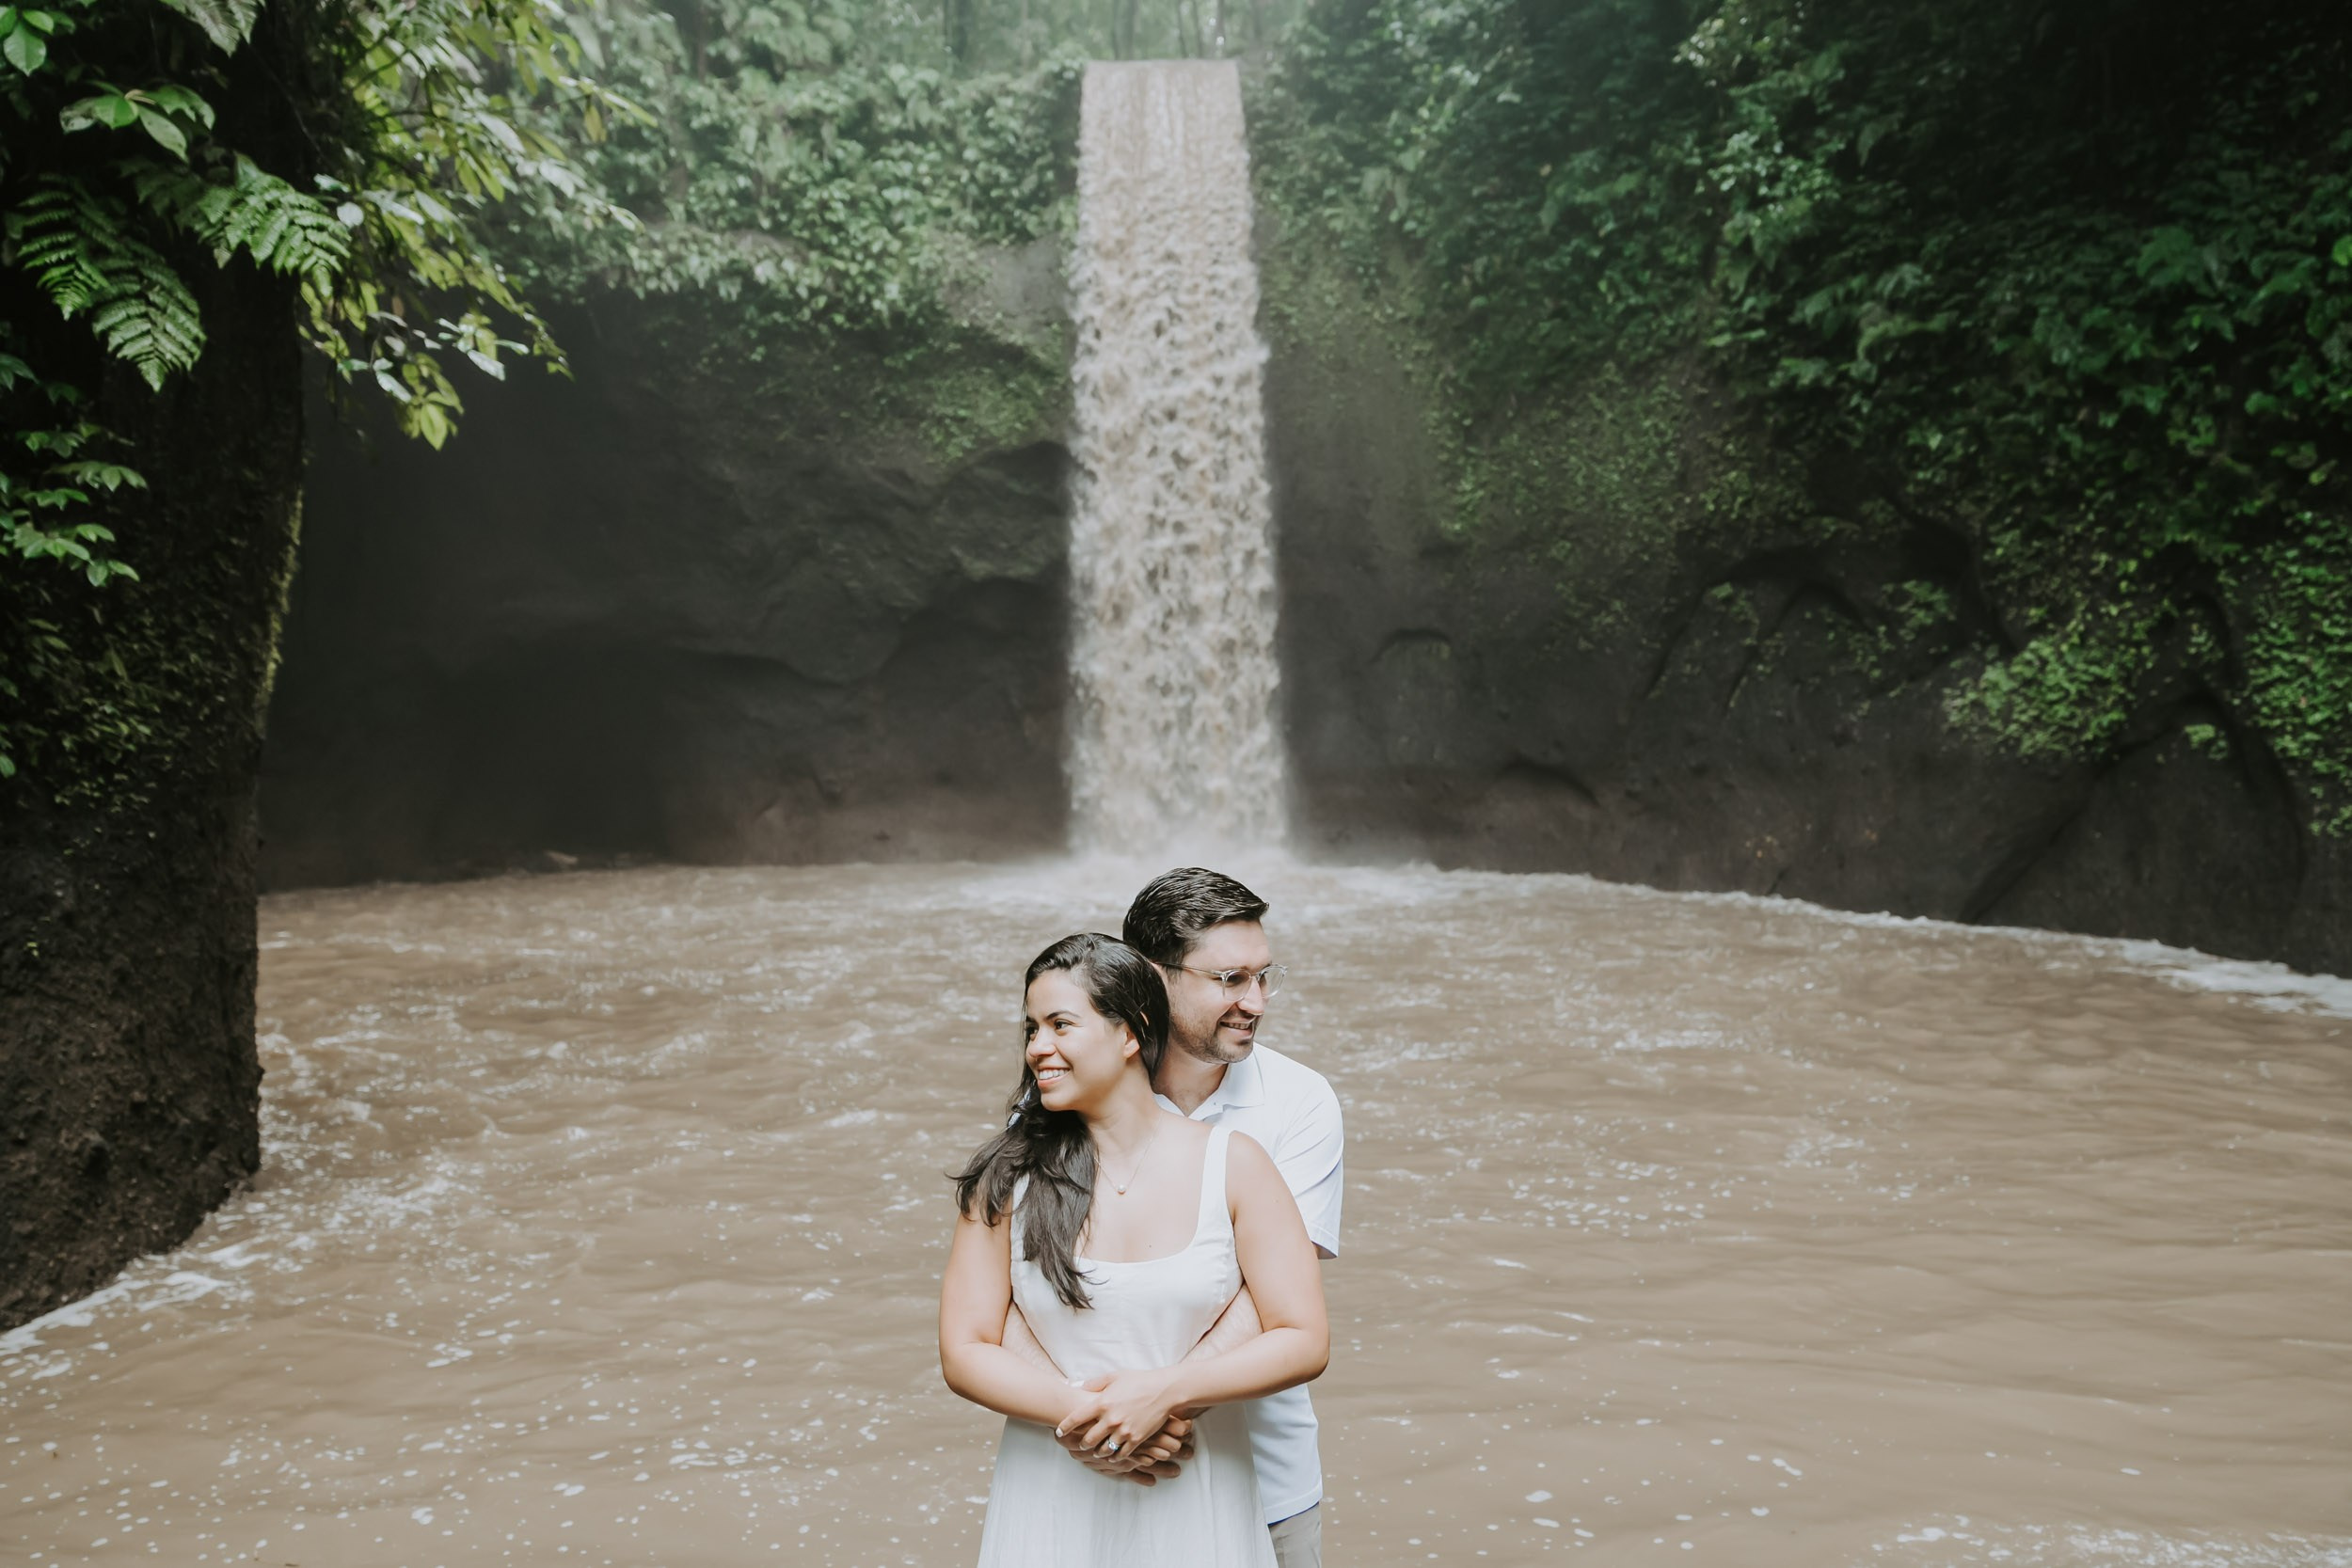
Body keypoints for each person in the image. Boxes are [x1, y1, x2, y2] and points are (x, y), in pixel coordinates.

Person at [940, 932, 1329, 1567]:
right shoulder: (1007, 1176)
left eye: (1061, 1024)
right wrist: (1091, 1420)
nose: (1039, 1046)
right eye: (1032, 1028)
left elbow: (1303, 1335)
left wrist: (1165, 1394)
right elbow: (964, 1349)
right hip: (1051, 1488)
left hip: (1196, 1485)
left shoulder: (1235, 1164)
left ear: (1131, 1033)